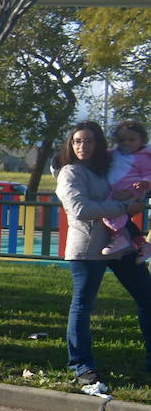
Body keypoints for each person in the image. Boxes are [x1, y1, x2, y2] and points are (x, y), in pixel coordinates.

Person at [54, 121, 151, 396]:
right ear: (70, 145)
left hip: (120, 245)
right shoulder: (70, 172)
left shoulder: (106, 168)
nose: (82, 146)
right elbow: (80, 208)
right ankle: (81, 366)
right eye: (77, 141)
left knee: (147, 297)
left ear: (99, 144)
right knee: (83, 306)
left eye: (88, 141)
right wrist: (123, 206)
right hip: (87, 248)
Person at [99, 121, 151, 259]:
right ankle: (142, 244)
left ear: (142, 140)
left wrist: (145, 183)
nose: (126, 143)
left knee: (109, 211)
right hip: (118, 190)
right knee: (123, 218)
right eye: (122, 140)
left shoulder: (143, 158)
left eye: (131, 140)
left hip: (132, 189)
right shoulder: (116, 153)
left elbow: (148, 172)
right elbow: (104, 155)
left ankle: (118, 237)